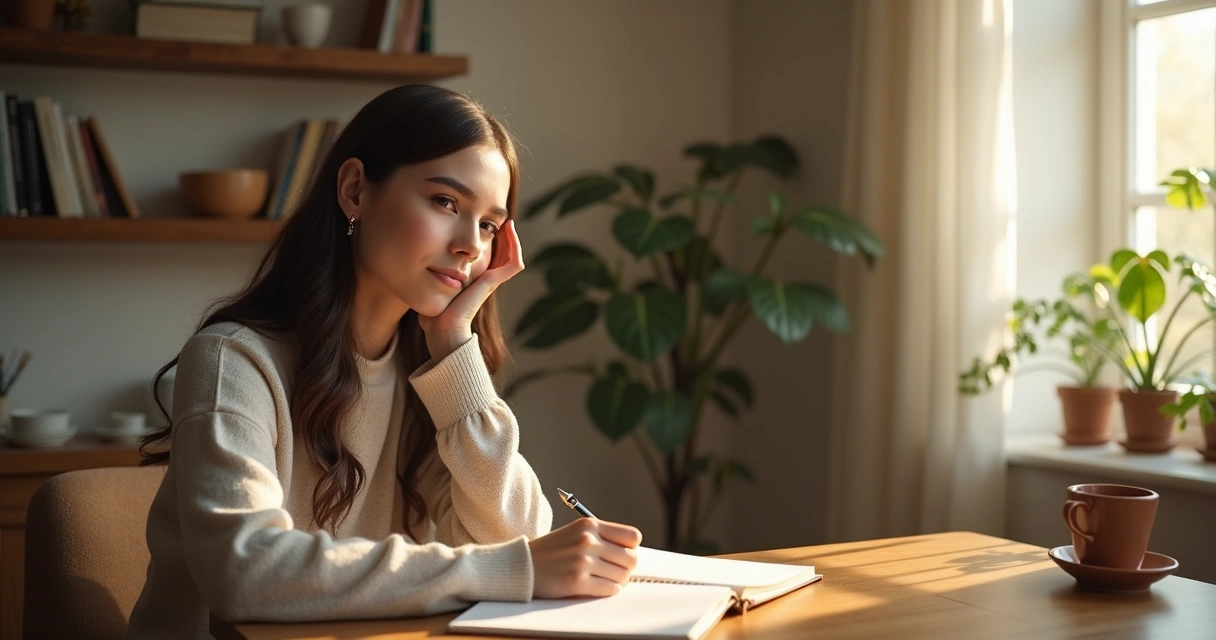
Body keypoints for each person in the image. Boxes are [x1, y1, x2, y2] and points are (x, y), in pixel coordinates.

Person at [125, 84, 642, 639]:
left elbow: (513, 537)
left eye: (489, 224)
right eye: (446, 202)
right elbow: (245, 573)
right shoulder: (235, 360)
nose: (471, 245)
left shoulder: (432, 378)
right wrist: (515, 570)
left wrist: (453, 346)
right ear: (354, 191)